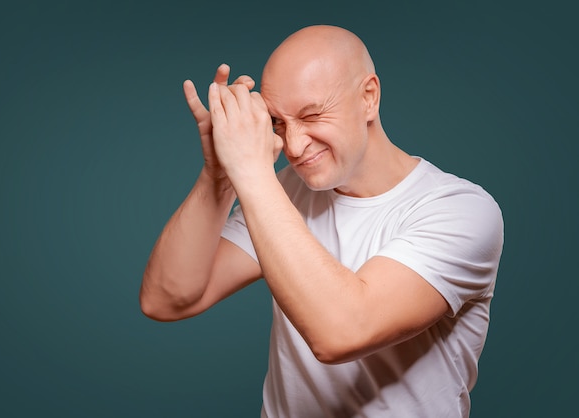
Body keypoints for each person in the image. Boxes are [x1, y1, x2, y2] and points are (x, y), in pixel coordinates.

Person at [140, 24, 504, 417]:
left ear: (369, 97)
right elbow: (167, 299)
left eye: (312, 115)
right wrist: (220, 175)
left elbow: (342, 332)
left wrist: (251, 170)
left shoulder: (460, 210)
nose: (293, 146)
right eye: (278, 123)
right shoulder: (282, 191)